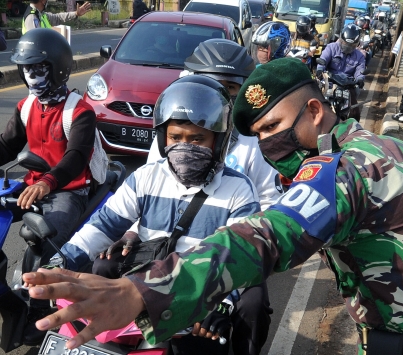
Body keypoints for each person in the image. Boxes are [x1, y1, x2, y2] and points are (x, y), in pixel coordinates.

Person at [24, 57, 403, 355]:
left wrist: (140, 294)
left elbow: (267, 235)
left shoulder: (348, 171)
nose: (268, 145)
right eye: (258, 135)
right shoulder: (392, 150)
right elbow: (106, 223)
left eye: (273, 127)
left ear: (315, 111)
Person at [52, 75, 272, 355]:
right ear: (162, 138)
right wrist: (59, 263)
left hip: (205, 281)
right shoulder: (145, 177)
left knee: (252, 300)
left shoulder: (239, 189)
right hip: (149, 275)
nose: (185, 147)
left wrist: (223, 302)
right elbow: (104, 225)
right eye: (176, 138)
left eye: (197, 139)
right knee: (102, 265)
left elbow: (239, 255)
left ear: (219, 142)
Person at [3, 28, 98, 346]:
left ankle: (37, 310)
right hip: (32, 184)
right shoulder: (27, 107)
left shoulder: (79, 112)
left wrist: (47, 182)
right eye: (25, 69)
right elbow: (6, 145)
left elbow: (75, 158)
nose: (30, 76)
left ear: (57, 69)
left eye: (37, 69)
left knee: (44, 238)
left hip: (69, 189)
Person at [147, 38, 282, 210]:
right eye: (210, 85)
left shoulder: (255, 142)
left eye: (230, 87)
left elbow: (267, 201)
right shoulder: (173, 135)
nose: (220, 95)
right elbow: (149, 185)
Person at [316, 24, 365, 120]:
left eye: (351, 45)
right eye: (345, 44)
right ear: (341, 39)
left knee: (355, 113)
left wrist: (360, 79)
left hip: (348, 85)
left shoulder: (359, 56)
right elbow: (323, 59)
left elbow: (360, 70)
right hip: (329, 81)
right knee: (315, 101)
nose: (348, 47)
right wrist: (320, 70)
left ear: (356, 44)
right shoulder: (331, 47)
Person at [22, 0, 92, 34]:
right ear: (42, 1)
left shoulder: (41, 14)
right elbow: (36, 40)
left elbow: (58, 17)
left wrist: (76, 13)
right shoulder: (32, 17)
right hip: (37, 60)